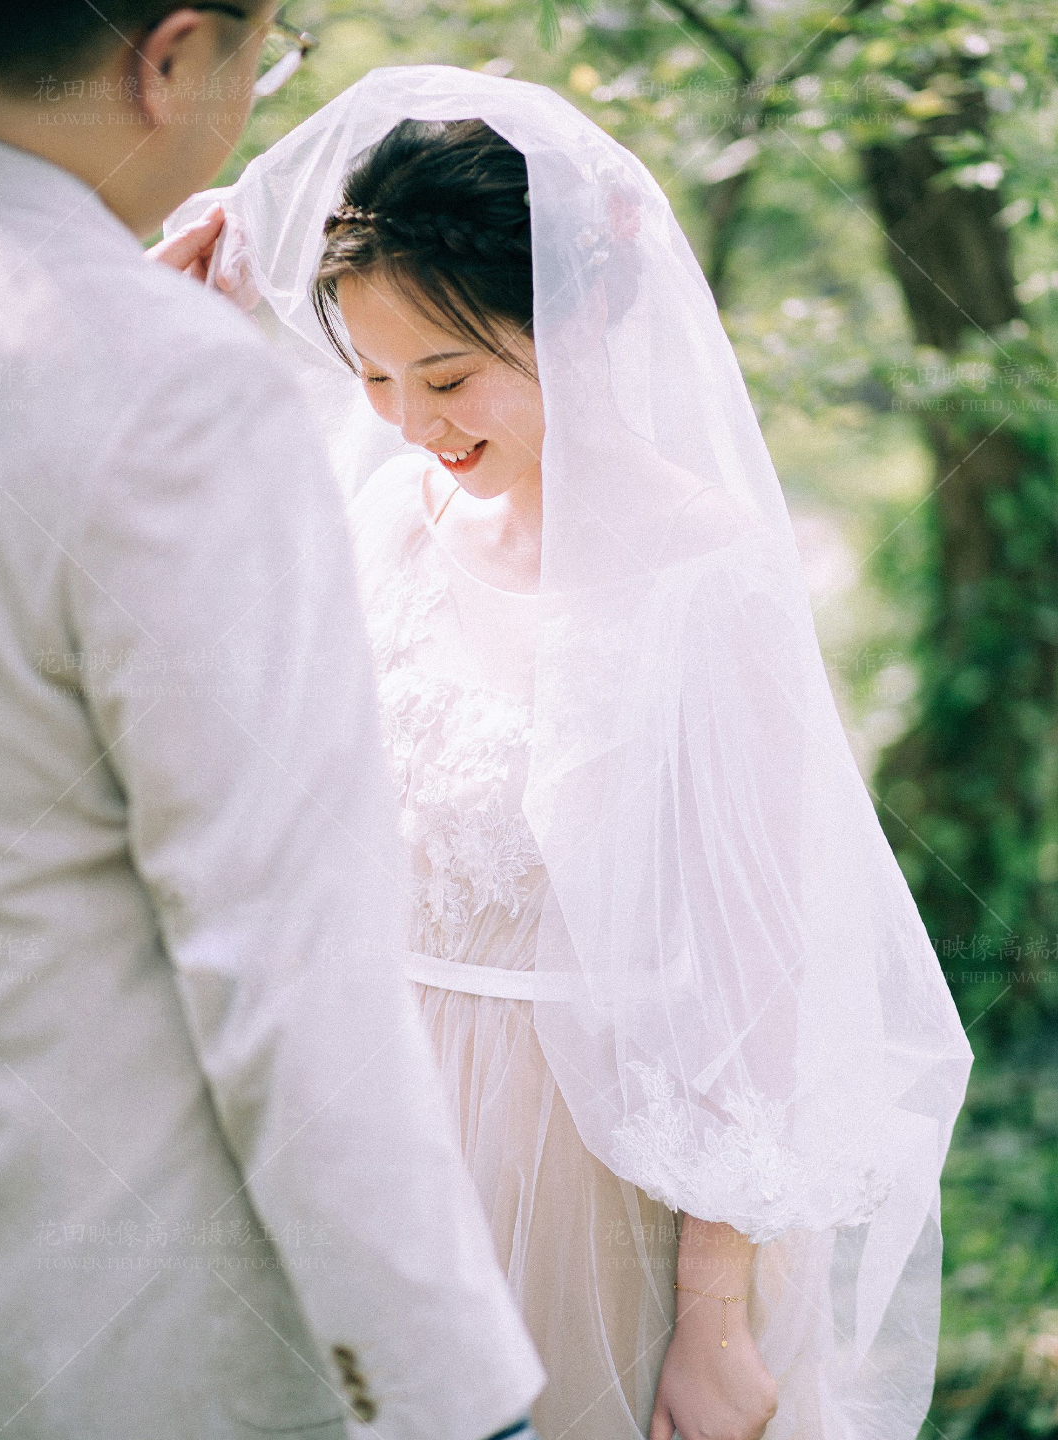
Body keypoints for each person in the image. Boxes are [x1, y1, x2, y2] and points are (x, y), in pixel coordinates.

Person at [166, 65, 975, 1440]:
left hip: (588, 1173)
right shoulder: (389, 522)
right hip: (372, 1135)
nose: (411, 421)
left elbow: (756, 965)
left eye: (450, 375)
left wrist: (712, 1321)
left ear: (577, 324)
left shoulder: (699, 571)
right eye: (373, 376)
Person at [0, 12, 545, 1440]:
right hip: (100, 1318)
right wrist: (463, 1403)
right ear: (170, 58)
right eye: (267, 50)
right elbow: (285, 950)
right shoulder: (160, 385)